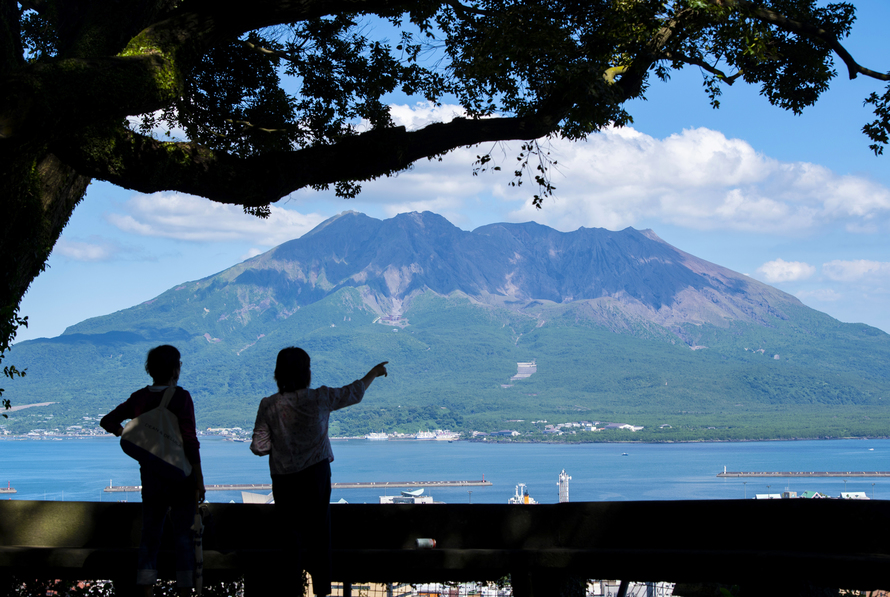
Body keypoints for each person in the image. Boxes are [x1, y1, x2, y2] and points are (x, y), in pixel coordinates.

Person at [250, 347, 388, 596]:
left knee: (289, 537)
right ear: (306, 372)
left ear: (278, 373)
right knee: (319, 533)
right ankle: (322, 590)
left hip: (283, 480)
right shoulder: (320, 398)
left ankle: (292, 590)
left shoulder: (269, 405)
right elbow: (353, 393)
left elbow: (259, 446)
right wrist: (374, 373)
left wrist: (281, 443)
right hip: (316, 476)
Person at [100, 345, 205, 597]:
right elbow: (190, 439)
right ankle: (185, 592)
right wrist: (199, 479)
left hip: (151, 478)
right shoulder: (181, 397)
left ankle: (146, 591)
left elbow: (108, 421)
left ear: (151, 369)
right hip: (182, 478)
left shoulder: (139, 398)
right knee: (183, 539)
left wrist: (128, 435)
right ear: (175, 369)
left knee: (150, 536)